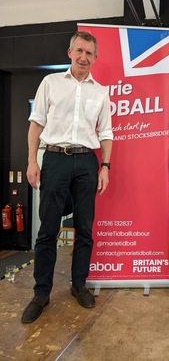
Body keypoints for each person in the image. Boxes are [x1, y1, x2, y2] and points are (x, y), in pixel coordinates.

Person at [21, 31, 113, 323]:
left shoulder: (100, 91)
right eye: (80, 51)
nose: (84, 57)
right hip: (55, 160)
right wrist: (31, 162)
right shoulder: (50, 83)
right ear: (70, 52)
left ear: (95, 58)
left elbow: (106, 134)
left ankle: (79, 285)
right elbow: (36, 125)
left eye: (89, 53)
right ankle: (41, 293)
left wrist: (106, 167)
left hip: (87, 162)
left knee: (85, 229)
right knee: (48, 228)